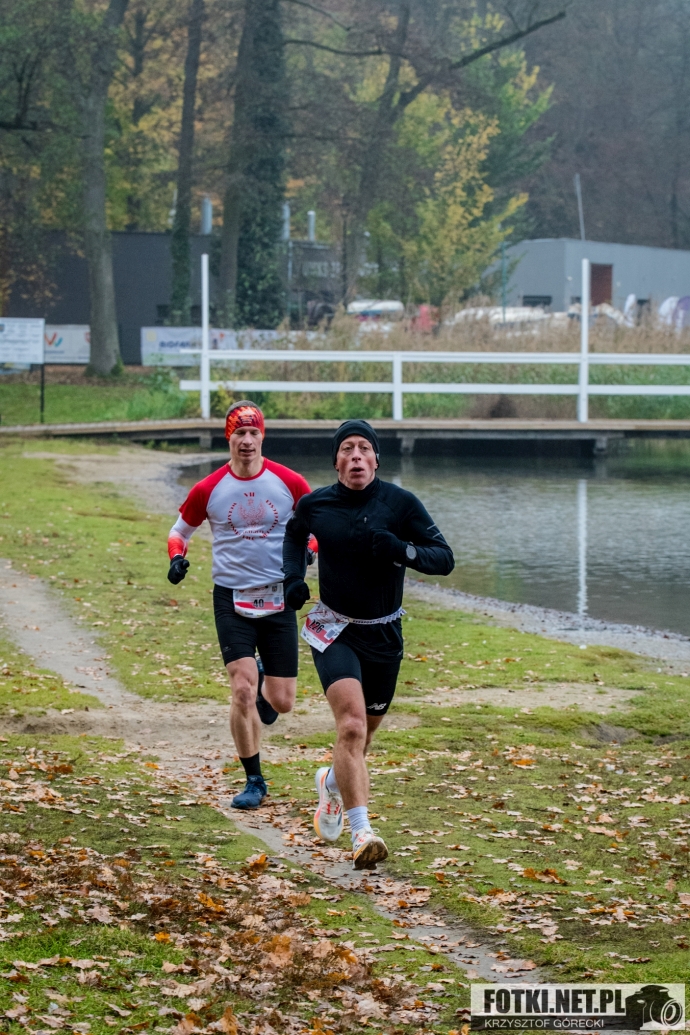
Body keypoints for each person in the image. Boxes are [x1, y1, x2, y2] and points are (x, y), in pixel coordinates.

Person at [282, 419, 454, 869]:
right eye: (347, 449)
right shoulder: (315, 504)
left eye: (364, 448)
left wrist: (402, 550)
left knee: (364, 736)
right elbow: (294, 535)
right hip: (333, 628)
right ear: (336, 461)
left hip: (383, 632)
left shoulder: (400, 504)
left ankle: (332, 783)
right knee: (352, 727)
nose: (356, 455)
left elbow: (444, 558)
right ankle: (362, 833)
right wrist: (293, 578)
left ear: (377, 459)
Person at [167, 400, 315, 810]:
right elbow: (179, 532)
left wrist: (309, 552)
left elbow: (317, 528)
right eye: (239, 433)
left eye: (253, 433)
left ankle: (266, 679)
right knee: (242, 690)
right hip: (231, 598)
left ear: (262, 436)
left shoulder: (290, 482)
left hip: (279, 597)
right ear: (228, 438)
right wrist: (176, 558)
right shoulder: (209, 488)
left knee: (282, 702)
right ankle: (254, 780)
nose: (246, 441)